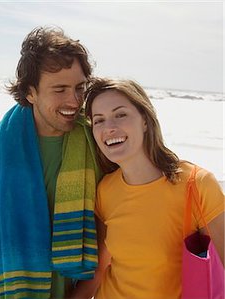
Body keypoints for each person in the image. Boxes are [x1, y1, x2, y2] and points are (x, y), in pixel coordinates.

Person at [0, 27, 102, 299]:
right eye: (59, 89)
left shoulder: (97, 143)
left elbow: (110, 241)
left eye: (79, 88)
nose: (74, 101)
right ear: (30, 92)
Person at [71, 78, 224, 299]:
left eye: (120, 114)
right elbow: (99, 270)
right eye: (99, 120)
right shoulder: (105, 190)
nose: (109, 127)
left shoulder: (197, 184)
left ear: (145, 119)